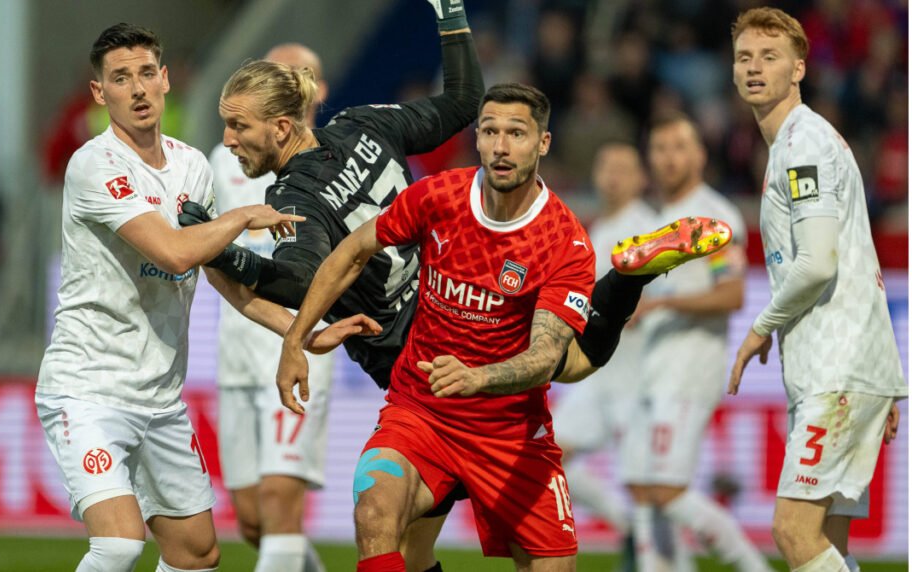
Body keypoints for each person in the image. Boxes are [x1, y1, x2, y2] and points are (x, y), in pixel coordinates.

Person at [276, 84, 732, 572]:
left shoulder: (562, 239)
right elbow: (352, 251)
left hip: (510, 430)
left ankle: (623, 283)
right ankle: (623, 283)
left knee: (575, 364)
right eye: (489, 131)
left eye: (516, 133)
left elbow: (543, 360)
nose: (500, 145)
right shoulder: (438, 196)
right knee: (374, 511)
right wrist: (294, 340)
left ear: (543, 143)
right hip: (422, 411)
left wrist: (478, 378)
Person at [179, 2, 485, 569]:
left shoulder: (294, 196)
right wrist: (449, 13)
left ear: (280, 127)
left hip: (418, 374)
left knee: (380, 520)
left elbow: (298, 280)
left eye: (239, 126)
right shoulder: (366, 122)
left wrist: (214, 246)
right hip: (465, 330)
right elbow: (464, 101)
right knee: (416, 541)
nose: (229, 138)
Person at [35, 23, 309, 572]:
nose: (136, 89)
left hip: (159, 397)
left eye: (144, 74)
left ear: (164, 80)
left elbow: (217, 275)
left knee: (196, 553)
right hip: (88, 389)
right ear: (99, 93)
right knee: (118, 543)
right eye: (119, 78)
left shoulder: (193, 166)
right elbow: (174, 253)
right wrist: (241, 216)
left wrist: (301, 332)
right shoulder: (95, 165)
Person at [728, 8, 906, 572]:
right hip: (849, 367)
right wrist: (885, 375)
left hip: (838, 371)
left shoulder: (803, 143)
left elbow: (819, 262)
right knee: (830, 543)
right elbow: (857, 257)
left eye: (770, 56)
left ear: (799, 68)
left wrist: (761, 327)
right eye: (744, 57)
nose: (754, 68)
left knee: (792, 532)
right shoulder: (797, 142)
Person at [619, 112, 770, 572]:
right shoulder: (659, 220)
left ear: (700, 154)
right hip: (652, 372)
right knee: (644, 490)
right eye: (660, 149)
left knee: (668, 491)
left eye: (679, 147)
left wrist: (661, 307)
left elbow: (733, 292)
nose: (668, 158)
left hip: (688, 372)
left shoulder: (715, 217)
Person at [207, 42, 334, 572]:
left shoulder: (334, 158)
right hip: (238, 357)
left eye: (300, 72)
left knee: (282, 502)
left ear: (317, 90)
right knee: (254, 521)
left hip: (300, 348)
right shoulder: (222, 157)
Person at [550, 142, 657, 565]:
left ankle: (652, 554)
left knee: (645, 485)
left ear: (639, 179)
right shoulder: (596, 228)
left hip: (638, 375)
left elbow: (656, 300)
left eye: (623, 168)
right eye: (606, 166)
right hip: (596, 371)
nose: (613, 175)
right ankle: (626, 527)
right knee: (550, 456)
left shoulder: (647, 227)